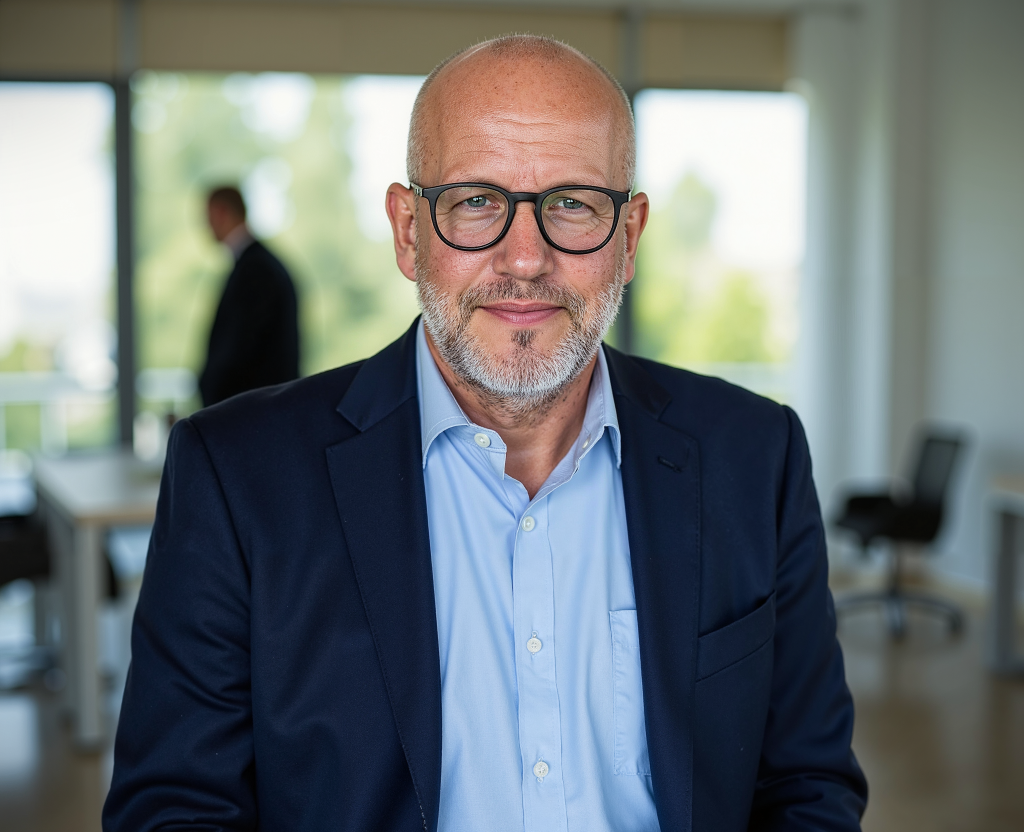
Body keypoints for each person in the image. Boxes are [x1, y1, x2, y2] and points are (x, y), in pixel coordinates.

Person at [104, 35, 867, 832]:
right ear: (408, 231)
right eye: (475, 201)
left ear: (630, 237)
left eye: (572, 202)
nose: (526, 257)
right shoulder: (235, 477)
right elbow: (175, 810)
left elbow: (808, 788)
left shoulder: (755, 455)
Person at [198, 186, 300, 406]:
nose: (205, 226)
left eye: (208, 217)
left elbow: (240, 349)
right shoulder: (259, 265)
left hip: (253, 412)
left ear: (222, 212)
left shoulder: (255, 270)